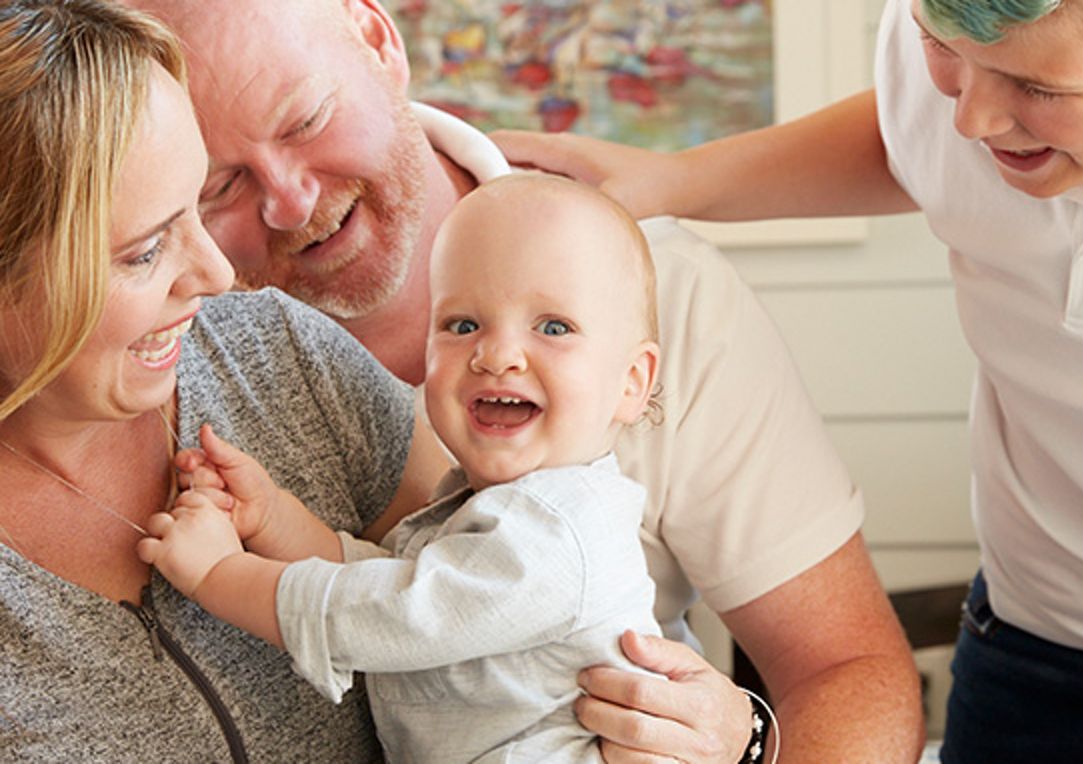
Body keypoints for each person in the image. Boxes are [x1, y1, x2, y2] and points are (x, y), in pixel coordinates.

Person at [122, 0, 925, 760]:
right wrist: (277, 521)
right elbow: (394, 577)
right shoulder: (151, 338)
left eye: (306, 119)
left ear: (378, 41)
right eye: (219, 185)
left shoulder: (648, 292)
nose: (292, 204)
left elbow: (843, 669)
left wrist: (744, 742)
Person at [492, 0, 1083, 762]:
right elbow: (908, 140)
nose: (970, 120)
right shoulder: (966, 77)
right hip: (1026, 638)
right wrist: (676, 179)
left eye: (1036, 89)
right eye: (943, 50)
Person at [0, 1, 449, 759]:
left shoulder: (278, 354)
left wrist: (714, 725)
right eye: (145, 252)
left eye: (197, 206)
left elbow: (491, 588)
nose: (213, 276)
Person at [140, 173, 689, 762]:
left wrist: (221, 574)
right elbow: (396, 579)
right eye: (462, 325)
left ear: (632, 383)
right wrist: (274, 520)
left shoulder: (563, 531)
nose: (496, 354)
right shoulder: (491, 506)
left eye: (553, 327)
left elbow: (400, 615)